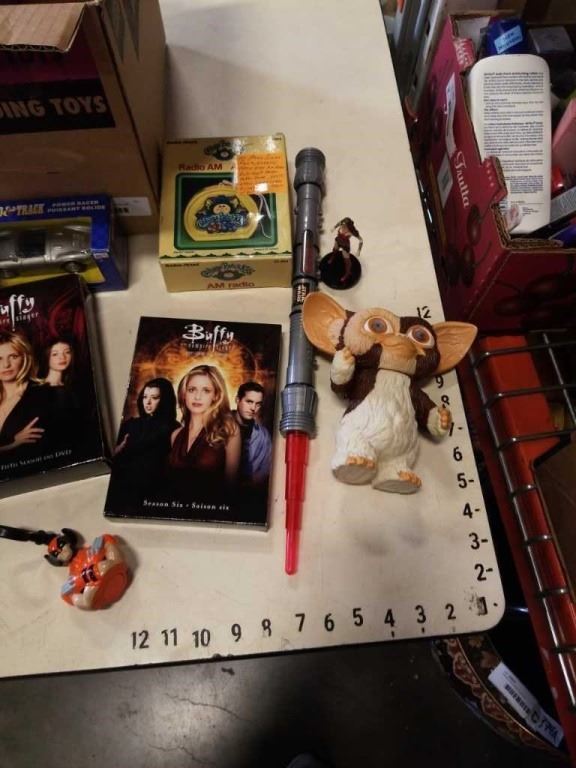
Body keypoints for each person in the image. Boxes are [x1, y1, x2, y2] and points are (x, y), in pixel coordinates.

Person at [166, 365, 240, 503]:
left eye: (206, 390)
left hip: (211, 510)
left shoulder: (229, 430)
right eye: (192, 390)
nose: (197, 396)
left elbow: (231, 487)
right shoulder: (175, 435)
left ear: (216, 395)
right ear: (184, 394)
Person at [106, 377, 180, 512]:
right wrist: (119, 449)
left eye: (154, 397)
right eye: (145, 397)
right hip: (124, 489)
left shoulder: (174, 428)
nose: (148, 402)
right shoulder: (131, 424)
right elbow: (113, 457)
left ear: (165, 400)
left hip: (155, 492)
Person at [0, 330, 53, 458]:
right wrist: (14, 443)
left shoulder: (42, 395)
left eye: (13, 356)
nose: (6, 365)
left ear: (24, 358)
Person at [233, 381, 272, 485]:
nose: (253, 408)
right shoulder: (220, 425)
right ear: (237, 400)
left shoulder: (263, 436)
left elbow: (265, 470)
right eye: (249, 402)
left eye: (258, 404)